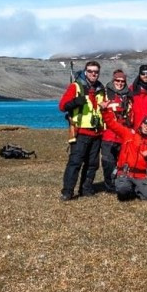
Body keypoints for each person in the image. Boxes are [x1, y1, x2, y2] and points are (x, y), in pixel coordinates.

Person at [58, 60, 105, 200]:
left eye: (96, 72)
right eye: (90, 71)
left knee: (92, 164)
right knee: (75, 162)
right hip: (80, 132)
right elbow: (62, 106)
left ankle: (86, 188)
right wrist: (76, 102)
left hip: (97, 132)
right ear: (86, 71)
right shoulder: (75, 87)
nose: (93, 74)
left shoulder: (100, 88)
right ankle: (67, 191)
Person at [98, 102, 147, 201]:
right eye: (145, 123)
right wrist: (104, 111)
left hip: (141, 176)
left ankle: (137, 188)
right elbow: (112, 124)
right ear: (141, 124)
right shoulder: (128, 134)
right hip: (125, 173)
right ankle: (129, 188)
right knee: (123, 191)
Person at [99, 69, 133, 192]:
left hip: (123, 135)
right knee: (108, 162)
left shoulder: (129, 96)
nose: (120, 83)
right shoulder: (105, 93)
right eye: (117, 80)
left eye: (122, 81)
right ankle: (109, 186)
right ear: (113, 80)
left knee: (122, 162)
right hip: (109, 134)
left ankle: (121, 184)